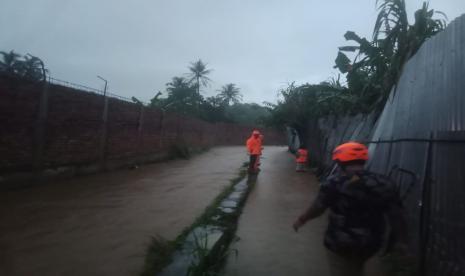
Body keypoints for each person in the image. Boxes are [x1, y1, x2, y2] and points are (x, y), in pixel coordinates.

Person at [293, 142, 408, 276]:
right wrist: (402, 242)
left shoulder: (334, 183)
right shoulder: (384, 183)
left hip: (340, 242)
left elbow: (318, 207)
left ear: (340, 162)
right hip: (372, 242)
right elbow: (396, 215)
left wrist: (302, 219)